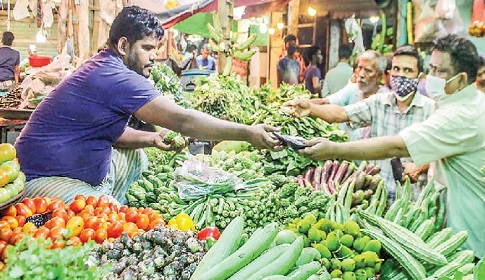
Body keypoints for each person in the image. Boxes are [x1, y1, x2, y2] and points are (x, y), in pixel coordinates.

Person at [14, 6, 281, 205]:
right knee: (108, 218)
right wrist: (247, 132)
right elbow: (183, 120)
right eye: (147, 48)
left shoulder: (102, 66)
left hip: (64, 168)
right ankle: (105, 202)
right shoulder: (117, 76)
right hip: (39, 180)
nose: (154, 56)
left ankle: (104, 196)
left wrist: (152, 137)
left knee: (136, 156)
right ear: (123, 45)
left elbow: (110, 132)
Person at [298, 34, 484, 259]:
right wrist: (310, 107)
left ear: (462, 79)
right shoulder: (473, 103)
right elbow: (341, 113)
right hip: (453, 225)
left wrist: (334, 149)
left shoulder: (459, 115)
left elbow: (398, 146)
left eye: (439, 71)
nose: (432, 78)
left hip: (469, 238)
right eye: (432, 69)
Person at [284, 45, 435, 200]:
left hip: (411, 201)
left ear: (420, 76)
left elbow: (443, 153)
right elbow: (341, 113)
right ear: (389, 73)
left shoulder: (432, 110)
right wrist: (310, 108)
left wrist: (421, 167)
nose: (400, 75)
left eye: (408, 70)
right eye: (396, 69)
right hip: (376, 196)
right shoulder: (378, 103)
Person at [312, 50, 389, 141]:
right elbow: (324, 102)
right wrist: (304, 104)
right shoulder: (353, 90)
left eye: (368, 70)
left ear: (379, 76)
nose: (361, 74)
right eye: (359, 68)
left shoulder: (385, 99)